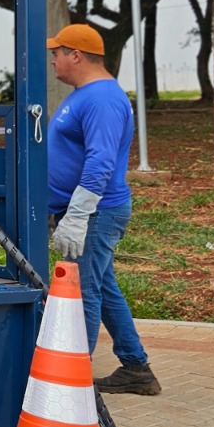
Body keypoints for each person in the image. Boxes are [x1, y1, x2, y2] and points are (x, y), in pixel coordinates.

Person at [47, 22, 160, 396]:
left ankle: (69, 386)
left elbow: (101, 162)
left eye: (57, 54)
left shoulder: (102, 100)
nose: (53, 61)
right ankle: (136, 368)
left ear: (76, 56)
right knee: (103, 287)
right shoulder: (85, 94)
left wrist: (78, 215)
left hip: (97, 213)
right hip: (87, 212)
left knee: (84, 292)